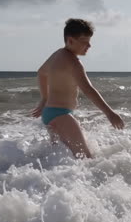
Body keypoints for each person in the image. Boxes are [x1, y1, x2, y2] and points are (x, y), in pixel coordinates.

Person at [31, 18, 125, 159]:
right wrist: (109, 113)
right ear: (70, 41)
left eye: (89, 41)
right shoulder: (74, 63)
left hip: (50, 113)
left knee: (62, 158)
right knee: (86, 158)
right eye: (84, 42)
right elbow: (88, 89)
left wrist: (45, 98)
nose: (89, 45)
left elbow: (41, 73)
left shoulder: (57, 55)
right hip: (61, 115)